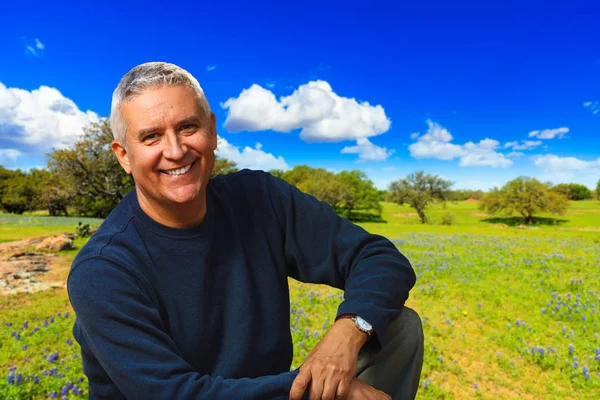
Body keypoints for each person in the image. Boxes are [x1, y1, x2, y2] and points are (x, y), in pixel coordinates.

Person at [67, 62, 423, 400]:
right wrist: (325, 391)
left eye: (188, 127)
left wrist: (349, 330)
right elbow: (173, 394)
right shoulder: (103, 268)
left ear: (212, 131)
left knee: (395, 328)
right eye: (151, 137)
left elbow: (378, 257)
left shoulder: (260, 199)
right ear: (124, 155)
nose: (175, 150)